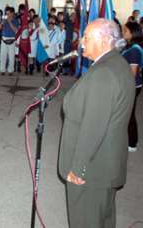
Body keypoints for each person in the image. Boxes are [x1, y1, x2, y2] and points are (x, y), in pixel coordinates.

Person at [58, 19, 135, 228]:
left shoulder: (103, 74)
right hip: (103, 164)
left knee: (87, 220)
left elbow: (93, 127)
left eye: (86, 37)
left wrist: (78, 168)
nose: (81, 42)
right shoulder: (115, 64)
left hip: (92, 170)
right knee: (102, 219)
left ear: (103, 40)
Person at [121, 21, 143, 152]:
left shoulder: (135, 50)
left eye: (125, 31)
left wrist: (124, 88)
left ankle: (132, 143)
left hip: (132, 85)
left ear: (132, 33)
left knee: (129, 114)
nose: (123, 33)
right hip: (130, 84)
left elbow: (132, 73)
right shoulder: (130, 46)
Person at [0, 7, 18, 76]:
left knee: (11, 56)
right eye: (6, 13)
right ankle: (2, 70)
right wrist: (2, 23)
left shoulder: (15, 20)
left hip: (12, 40)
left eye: (9, 13)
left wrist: (10, 22)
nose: (7, 15)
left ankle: (10, 70)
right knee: (3, 56)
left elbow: (16, 30)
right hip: (4, 39)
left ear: (12, 13)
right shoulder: (4, 20)